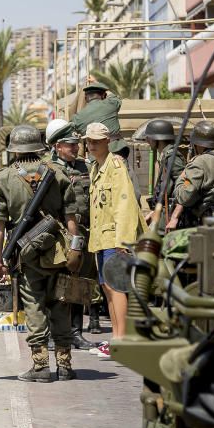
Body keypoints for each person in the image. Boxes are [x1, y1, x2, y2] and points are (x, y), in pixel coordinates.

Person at [0, 125, 79, 382]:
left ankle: (40, 366)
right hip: (59, 252)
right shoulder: (59, 173)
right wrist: (75, 252)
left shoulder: (5, 178)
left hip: (25, 253)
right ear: (40, 148)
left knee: (34, 306)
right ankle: (64, 365)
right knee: (61, 304)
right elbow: (71, 218)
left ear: (15, 151)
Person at [86, 122, 143, 358]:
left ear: (107, 142)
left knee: (116, 287)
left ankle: (122, 341)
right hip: (102, 236)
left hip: (115, 238)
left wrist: (124, 241)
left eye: (96, 141)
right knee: (107, 289)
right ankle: (115, 339)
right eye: (89, 141)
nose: (91, 145)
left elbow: (125, 204)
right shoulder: (96, 168)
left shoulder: (116, 166)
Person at [46, 120, 97, 350]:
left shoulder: (85, 167)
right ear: (57, 146)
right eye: (70, 144)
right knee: (54, 284)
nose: (76, 148)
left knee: (79, 284)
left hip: (83, 232)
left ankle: (76, 332)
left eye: (76, 144)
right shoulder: (48, 169)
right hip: (58, 235)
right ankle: (51, 332)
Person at [143, 119, 185, 228]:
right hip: (163, 214)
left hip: (170, 217)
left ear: (158, 139)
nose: (147, 140)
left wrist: (175, 216)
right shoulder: (165, 156)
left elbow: (185, 188)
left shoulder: (172, 157)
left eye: (149, 137)